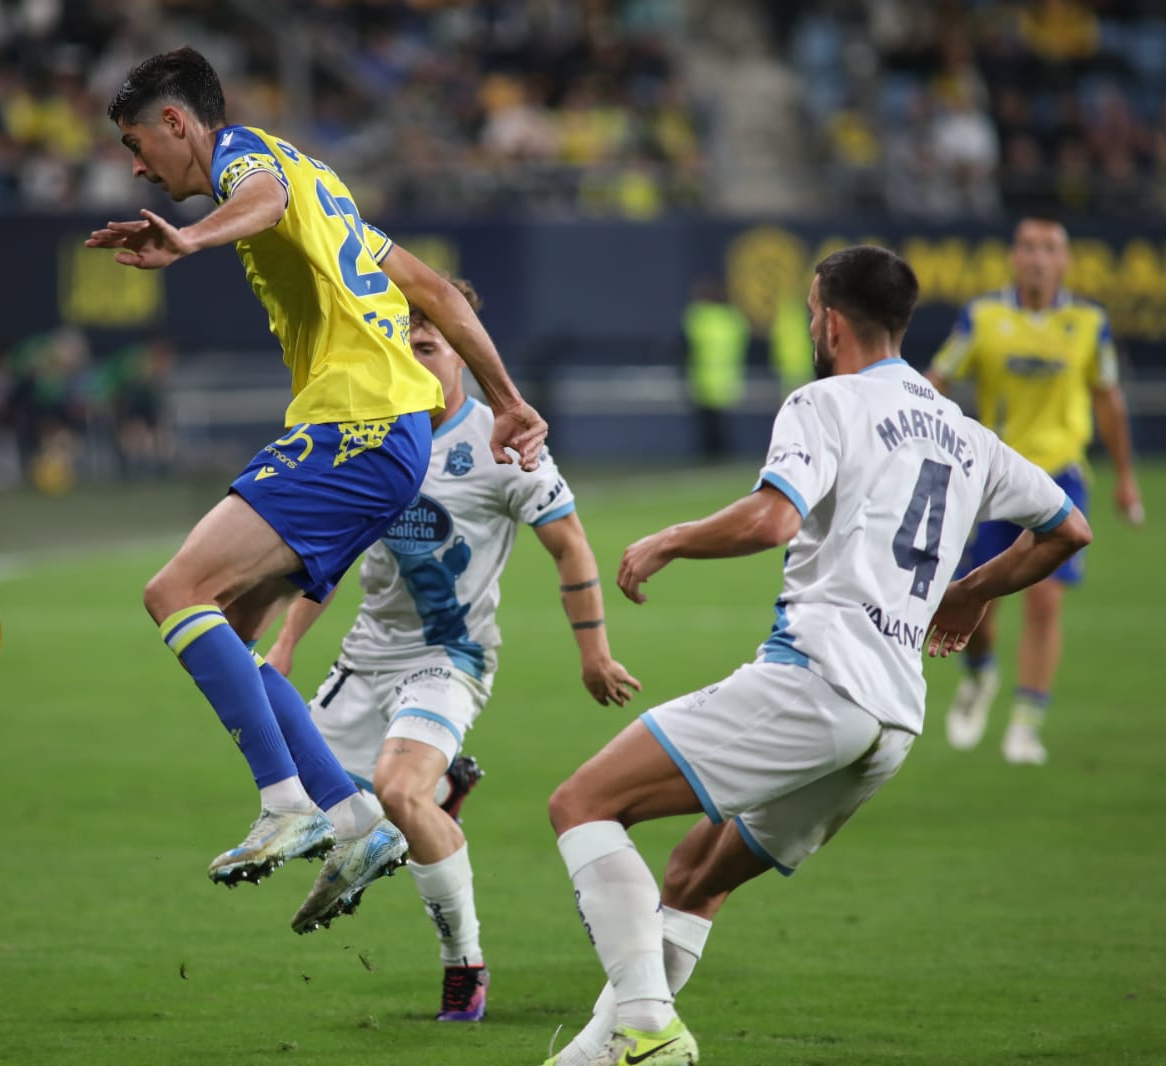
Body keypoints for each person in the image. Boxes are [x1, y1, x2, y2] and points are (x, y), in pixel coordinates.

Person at [542, 246, 1092, 1066]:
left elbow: (771, 520)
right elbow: (1068, 529)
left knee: (581, 805)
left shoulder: (824, 401)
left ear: (830, 321)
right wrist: (971, 592)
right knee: (697, 873)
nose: (809, 326)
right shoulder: (963, 432)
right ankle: (599, 1053)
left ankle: (649, 1030)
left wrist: (670, 539)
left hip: (818, 678)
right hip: (893, 721)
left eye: (809, 312)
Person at [84, 47, 548, 935]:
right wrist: (509, 400)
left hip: (353, 428)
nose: (137, 165)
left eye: (138, 143)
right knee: (237, 636)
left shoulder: (248, 164)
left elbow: (257, 200)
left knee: (173, 592)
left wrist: (190, 239)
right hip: (389, 439)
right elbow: (437, 294)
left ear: (179, 123)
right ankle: (353, 816)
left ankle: (285, 803)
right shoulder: (322, 186)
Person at [264, 276, 640, 1020]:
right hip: (365, 661)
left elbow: (568, 545)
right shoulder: (368, 436)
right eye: (401, 345)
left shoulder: (500, 442)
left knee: (396, 796)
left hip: (450, 660)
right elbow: (326, 562)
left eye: (430, 345)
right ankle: (443, 794)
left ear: (462, 355)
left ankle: (463, 966)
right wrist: (281, 649)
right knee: (319, 816)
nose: (414, 356)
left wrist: (593, 652)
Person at [927, 215, 1143, 765]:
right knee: (979, 600)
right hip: (999, 479)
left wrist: (1124, 477)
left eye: (1049, 248)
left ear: (1065, 260)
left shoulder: (1089, 322)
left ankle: (1026, 722)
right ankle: (980, 675)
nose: (1038, 258)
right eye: (1027, 247)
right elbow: (938, 377)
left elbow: (1108, 398)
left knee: (1045, 602)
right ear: (1013, 257)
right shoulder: (983, 317)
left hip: (1062, 475)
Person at [681, 279, 748, 461]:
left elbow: (689, 343)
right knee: (722, 425)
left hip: (704, 380)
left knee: (708, 427)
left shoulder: (701, 318)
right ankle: (723, 458)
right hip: (728, 380)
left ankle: (711, 457)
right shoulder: (732, 320)